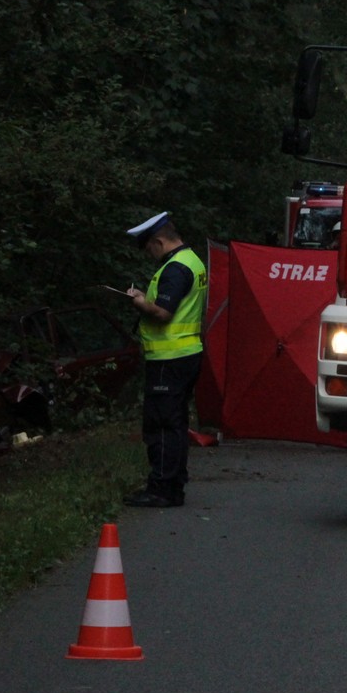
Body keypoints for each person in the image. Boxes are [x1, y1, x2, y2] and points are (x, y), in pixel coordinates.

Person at [121, 211, 208, 508]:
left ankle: (160, 489)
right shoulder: (193, 261)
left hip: (169, 358)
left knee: (160, 425)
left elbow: (163, 313)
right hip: (185, 355)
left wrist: (140, 302)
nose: (149, 255)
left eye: (149, 249)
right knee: (176, 424)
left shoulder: (174, 269)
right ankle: (174, 486)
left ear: (158, 242)